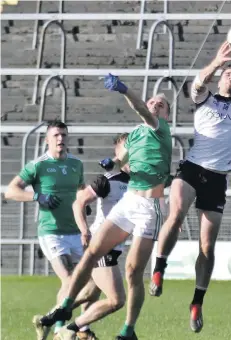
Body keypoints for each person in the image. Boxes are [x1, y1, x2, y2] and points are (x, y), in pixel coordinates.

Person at [39, 73, 172, 340]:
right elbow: (119, 160)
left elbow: (139, 108)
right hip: (130, 201)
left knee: (133, 272)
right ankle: (65, 308)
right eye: (153, 101)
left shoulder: (160, 129)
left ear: (167, 114)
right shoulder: (135, 135)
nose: (155, 105)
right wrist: (110, 165)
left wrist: (123, 88)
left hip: (149, 207)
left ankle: (128, 330)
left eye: (161, 104)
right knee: (91, 255)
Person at [149, 41, 231, 333]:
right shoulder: (206, 99)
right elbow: (198, 83)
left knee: (207, 247)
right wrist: (216, 62)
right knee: (174, 216)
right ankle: (159, 269)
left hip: (217, 178)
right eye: (228, 74)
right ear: (221, 78)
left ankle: (197, 301)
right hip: (192, 168)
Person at [4, 120, 89, 340]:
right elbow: (10, 191)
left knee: (90, 282)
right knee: (70, 280)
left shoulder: (76, 164)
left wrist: (83, 205)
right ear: (47, 140)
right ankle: (68, 329)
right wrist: (37, 196)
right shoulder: (38, 165)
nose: (61, 139)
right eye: (56, 136)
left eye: (63, 135)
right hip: (51, 232)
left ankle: (52, 323)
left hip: (75, 232)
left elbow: (81, 190)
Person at [54, 133, 130, 340]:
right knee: (116, 300)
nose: (130, 150)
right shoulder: (109, 180)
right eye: (125, 146)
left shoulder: (141, 183)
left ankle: (50, 319)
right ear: (118, 153)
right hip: (101, 245)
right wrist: (85, 230)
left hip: (114, 248)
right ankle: (69, 330)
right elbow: (79, 202)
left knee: (89, 294)